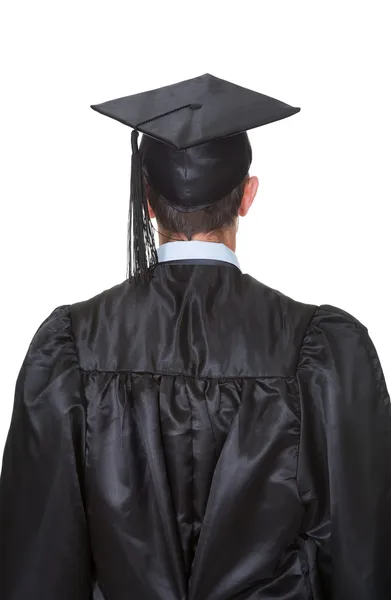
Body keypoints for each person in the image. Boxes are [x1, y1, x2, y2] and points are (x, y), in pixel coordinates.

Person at [0, 73, 390, 600]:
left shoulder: (71, 349)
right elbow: (362, 562)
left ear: (147, 201)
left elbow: (36, 567)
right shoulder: (321, 353)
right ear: (248, 195)